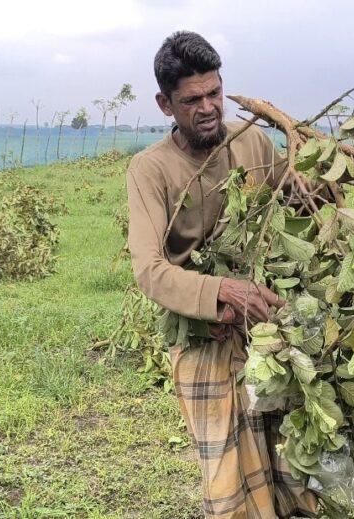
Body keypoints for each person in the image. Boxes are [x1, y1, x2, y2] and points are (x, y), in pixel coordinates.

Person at [126, 31, 318, 518]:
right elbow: (149, 269)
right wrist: (223, 291)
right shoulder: (150, 170)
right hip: (204, 339)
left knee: (295, 467)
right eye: (192, 100)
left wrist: (316, 189)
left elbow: (293, 197)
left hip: (269, 335)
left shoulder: (251, 141)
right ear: (165, 105)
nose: (208, 108)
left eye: (214, 93)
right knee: (229, 485)